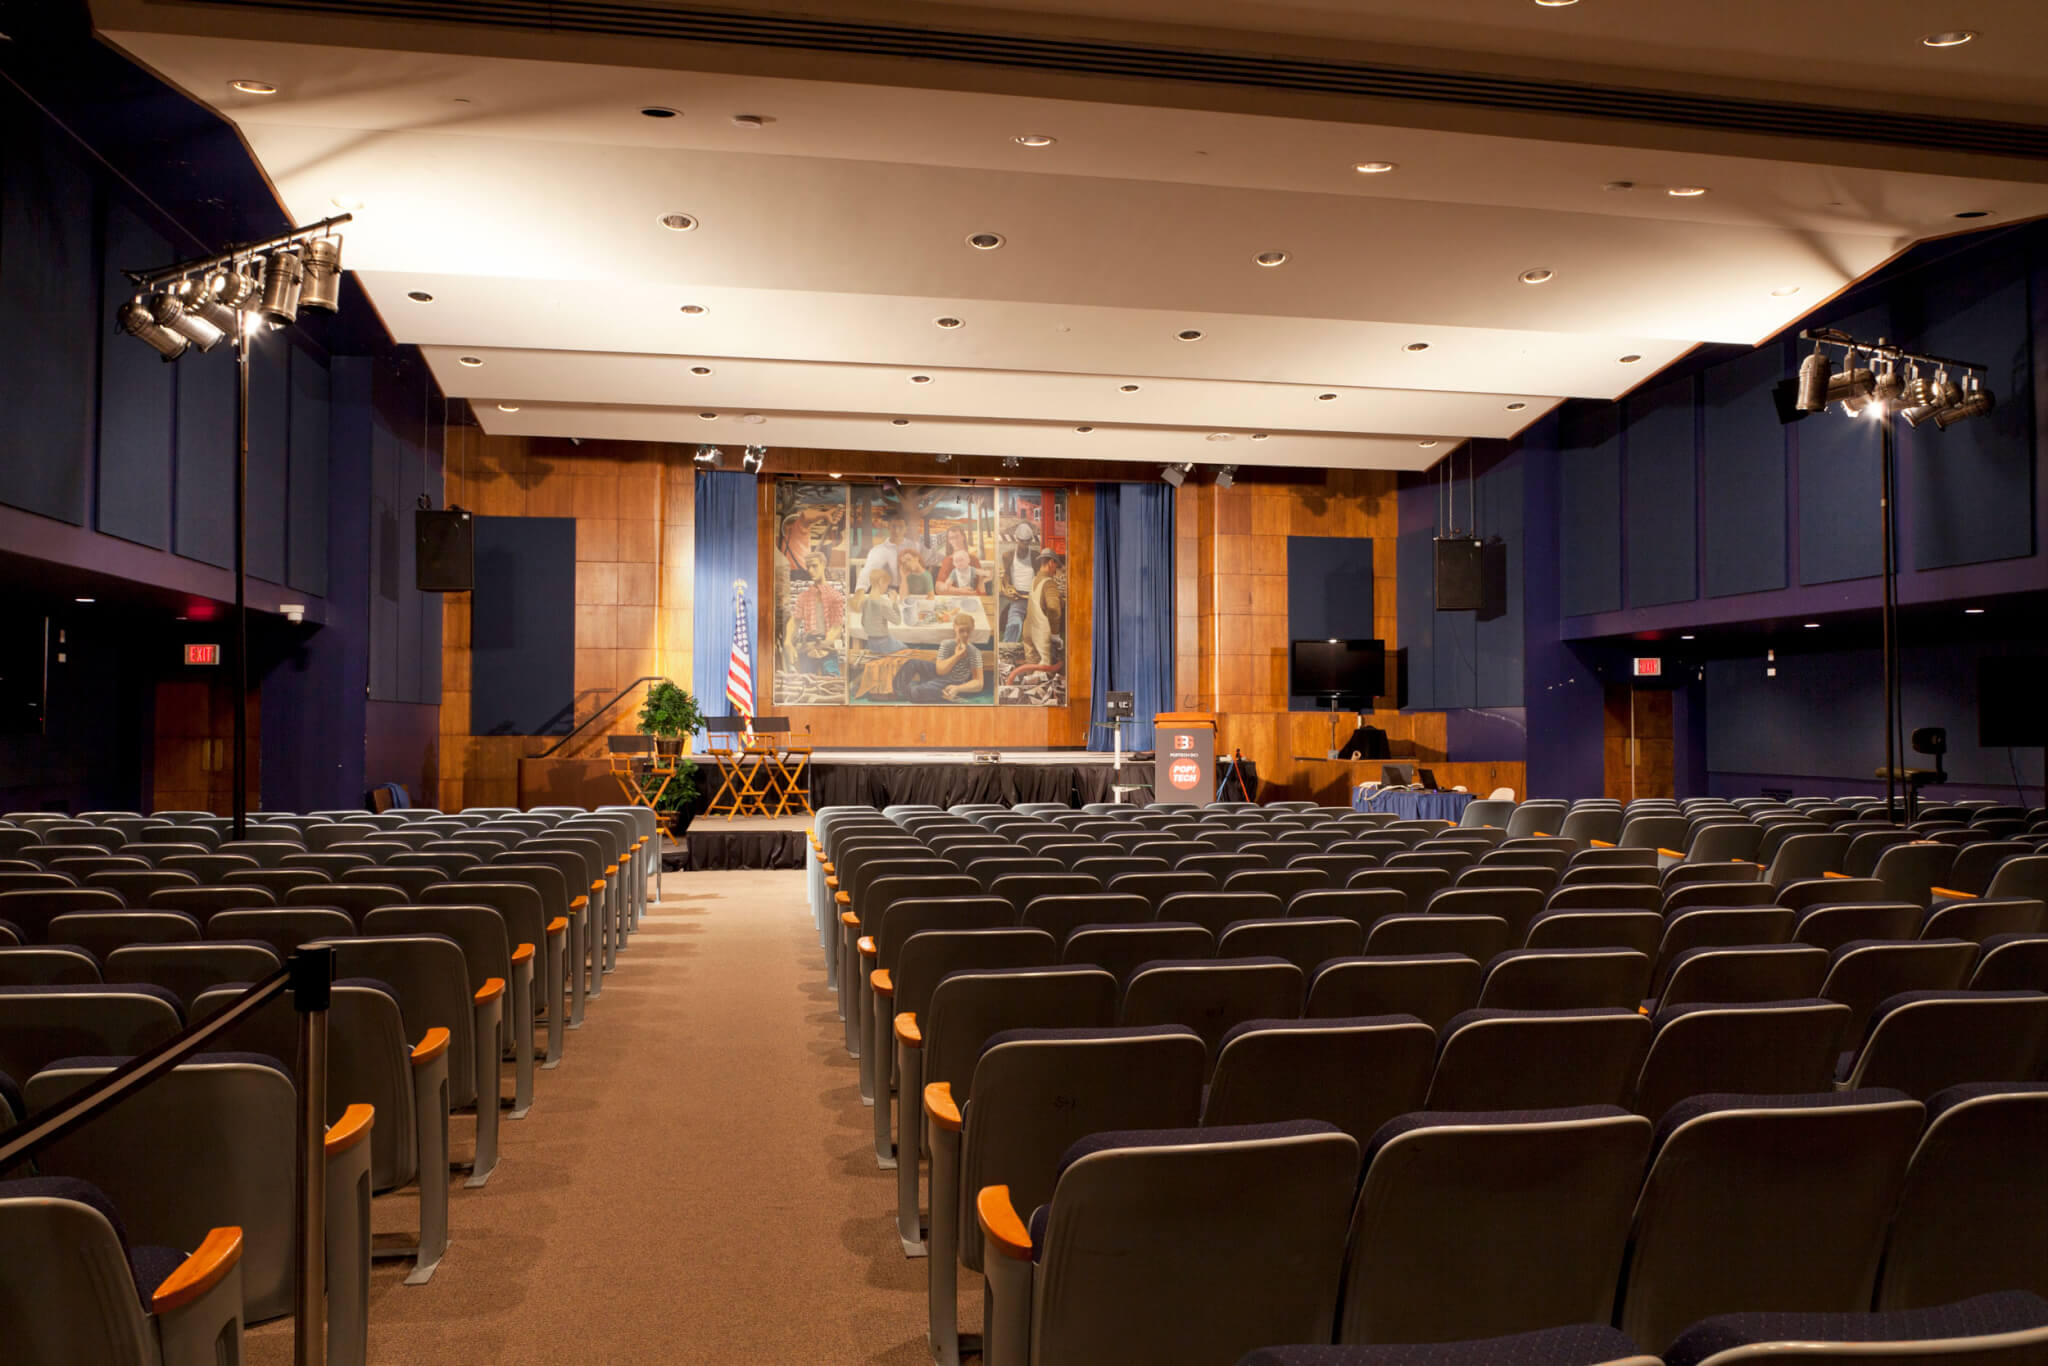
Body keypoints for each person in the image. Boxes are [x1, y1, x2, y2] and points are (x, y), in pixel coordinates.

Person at [893, 611, 985, 702]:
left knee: (916, 691)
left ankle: (926, 691)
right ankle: (898, 691)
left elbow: (979, 682)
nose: (965, 634)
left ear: (972, 629)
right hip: (939, 672)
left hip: (953, 682)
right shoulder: (946, 644)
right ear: (954, 628)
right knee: (912, 663)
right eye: (961, 630)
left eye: (968, 631)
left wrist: (958, 688)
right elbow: (940, 670)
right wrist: (957, 656)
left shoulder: (974, 652)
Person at [783, 552, 845, 674]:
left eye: (814, 566)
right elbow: (795, 620)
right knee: (806, 681)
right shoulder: (804, 596)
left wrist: (824, 643)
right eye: (808, 567)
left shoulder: (835, 596)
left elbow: (837, 626)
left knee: (832, 679)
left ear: (823, 565)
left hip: (827, 647)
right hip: (808, 647)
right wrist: (788, 641)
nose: (811, 570)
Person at [998, 520, 1039, 641]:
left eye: (1027, 542)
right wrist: (1007, 589)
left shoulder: (1035, 556)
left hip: (1033, 597)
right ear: (1017, 540)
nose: (1025, 545)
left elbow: (1039, 577)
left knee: (1037, 627)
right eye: (1022, 541)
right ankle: (1008, 648)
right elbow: (1005, 576)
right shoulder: (1008, 555)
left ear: (1030, 541)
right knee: (1014, 623)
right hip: (1017, 597)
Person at [1022, 551, 1063, 666]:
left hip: (1028, 631)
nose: (1056, 570)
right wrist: (1055, 634)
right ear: (1051, 563)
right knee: (1046, 672)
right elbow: (1053, 608)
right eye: (1056, 566)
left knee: (1031, 667)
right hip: (1041, 634)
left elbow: (1037, 603)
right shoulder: (1049, 583)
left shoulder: (1034, 579)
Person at [856, 566, 907, 654]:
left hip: (871, 642)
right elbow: (897, 621)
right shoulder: (883, 604)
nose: (886, 588)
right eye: (886, 584)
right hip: (884, 643)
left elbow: (863, 623)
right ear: (881, 582)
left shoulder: (865, 601)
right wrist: (894, 602)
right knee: (905, 648)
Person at [855, 512, 908, 592]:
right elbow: (868, 571)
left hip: (911, 591)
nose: (897, 531)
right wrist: (860, 590)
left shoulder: (914, 547)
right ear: (888, 527)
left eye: (901, 527)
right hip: (887, 591)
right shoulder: (878, 550)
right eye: (894, 527)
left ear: (906, 529)